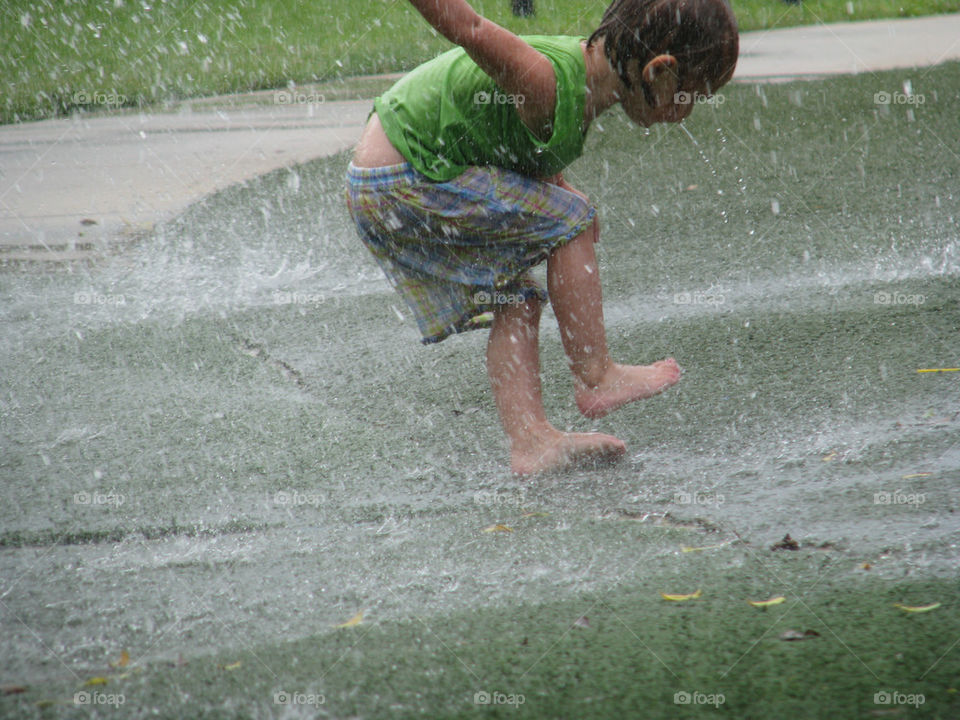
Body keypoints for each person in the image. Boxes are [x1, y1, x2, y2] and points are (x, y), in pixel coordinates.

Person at [346, 0, 739, 474]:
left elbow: (510, 143)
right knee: (573, 219)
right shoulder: (545, 80)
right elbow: (470, 28)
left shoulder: (577, 89)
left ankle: (530, 443)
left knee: (517, 297)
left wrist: (559, 188)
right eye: (691, 95)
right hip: (403, 178)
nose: (688, 111)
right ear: (659, 70)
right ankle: (596, 375)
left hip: (390, 183)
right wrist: (569, 213)